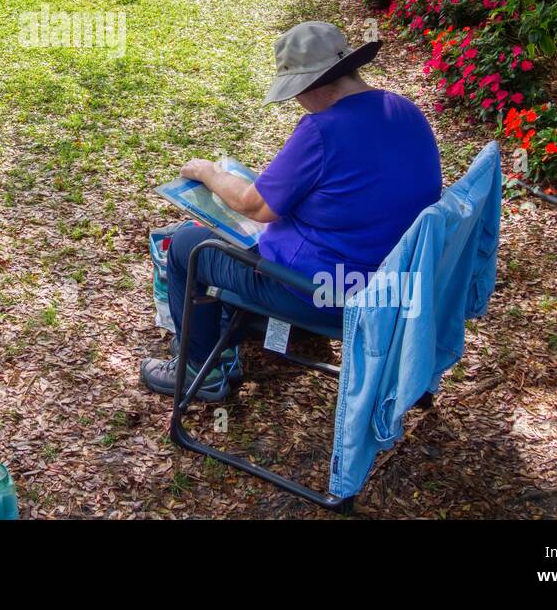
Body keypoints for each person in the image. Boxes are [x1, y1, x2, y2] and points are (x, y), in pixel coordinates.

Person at [140, 21, 442, 401]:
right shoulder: (403, 110)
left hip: (327, 293)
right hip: (394, 284)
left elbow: (255, 205)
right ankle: (236, 328)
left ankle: (201, 369)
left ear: (311, 84)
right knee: (224, 241)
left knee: (187, 243)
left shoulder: (323, 129)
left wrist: (209, 172)